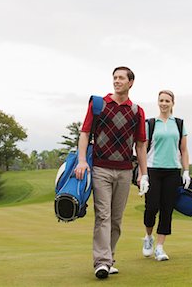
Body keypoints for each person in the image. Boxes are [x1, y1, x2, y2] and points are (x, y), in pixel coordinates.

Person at [74, 66, 149, 279]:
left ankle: (110, 257)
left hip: (125, 171)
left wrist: (144, 174)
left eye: (121, 78)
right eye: (114, 78)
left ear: (131, 82)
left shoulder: (137, 111)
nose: (117, 81)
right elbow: (85, 132)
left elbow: (141, 145)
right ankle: (102, 262)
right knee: (103, 216)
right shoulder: (99, 104)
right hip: (100, 168)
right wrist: (81, 160)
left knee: (116, 219)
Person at [139, 90, 191, 261]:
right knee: (151, 207)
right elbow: (142, 150)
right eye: (161, 100)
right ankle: (148, 238)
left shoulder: (179, 124)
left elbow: (183, 150)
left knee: (167, 209)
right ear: (158, 102)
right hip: (153, 169)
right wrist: (142, 175)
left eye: (167, 100)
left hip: (172, 171)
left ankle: (160, 247)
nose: (163, 103)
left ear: (172, 103)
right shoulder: (150, 123)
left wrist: (186, 171)